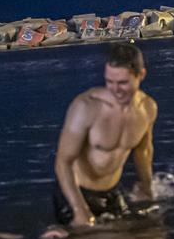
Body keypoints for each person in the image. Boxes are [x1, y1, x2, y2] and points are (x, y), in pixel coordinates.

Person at [52, 42, 158, 227]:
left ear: (141, 75)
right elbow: (63, 161)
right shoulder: (86, 106)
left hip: (112, 191)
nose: (115, 89)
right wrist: (80, 210)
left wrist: (147, 188)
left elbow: (143, 152)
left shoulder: (148, 108)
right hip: (76, 192)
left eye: (122, 83)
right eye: (110, 81)